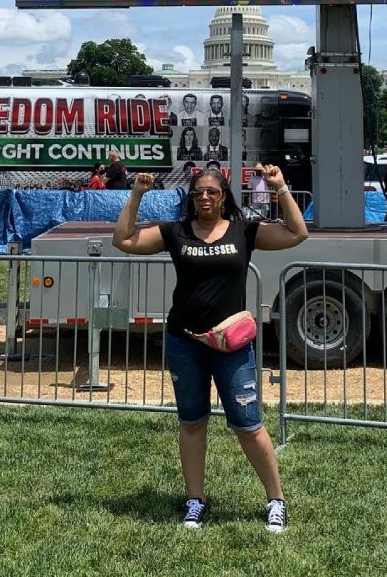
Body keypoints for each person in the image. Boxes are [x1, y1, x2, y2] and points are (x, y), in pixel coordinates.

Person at [112, 164, 307, 532]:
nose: (204, 197)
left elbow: (297, 233)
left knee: (248, 426)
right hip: (185, 342)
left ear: (223, 196)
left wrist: (280, 188)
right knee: (191, 423)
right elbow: (122, 240)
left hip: (231, 346)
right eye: (198, 192)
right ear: (191, 197)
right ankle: (195, 501)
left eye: (212, 192)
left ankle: (275, 500)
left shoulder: (244, 231)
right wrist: (136, 194)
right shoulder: (175, 232)